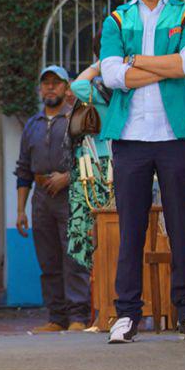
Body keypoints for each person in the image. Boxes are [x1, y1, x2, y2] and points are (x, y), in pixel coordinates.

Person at [99, 0, 185, 343]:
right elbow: (111, 74)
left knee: (181, 225)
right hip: (129, 137)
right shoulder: (116, 19)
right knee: (130, 227)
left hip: (173, 135)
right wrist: (163, 67)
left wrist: (138, 62)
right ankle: (127, 314)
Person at [14, 65, 91, 332]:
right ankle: (56, 318)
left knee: (74, 257)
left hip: (70, 196)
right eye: (45, 82)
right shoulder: (32, 126)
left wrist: (67, 177)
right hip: (40, 199)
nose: (50, 87)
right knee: (48, 260)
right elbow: (23, 169)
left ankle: (78, 317)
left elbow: (89, 159)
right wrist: (20, 210)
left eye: (56, 83)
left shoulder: (76, 119)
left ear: (66, 87)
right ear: (40, 88)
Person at [67, 58, 113, 272]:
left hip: (97, 161)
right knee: (104, 231)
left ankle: (98, 288)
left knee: (91, 231)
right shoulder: (117, 88)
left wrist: (99, 64)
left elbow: (76, 85)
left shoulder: (105, 90)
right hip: (102, 160)